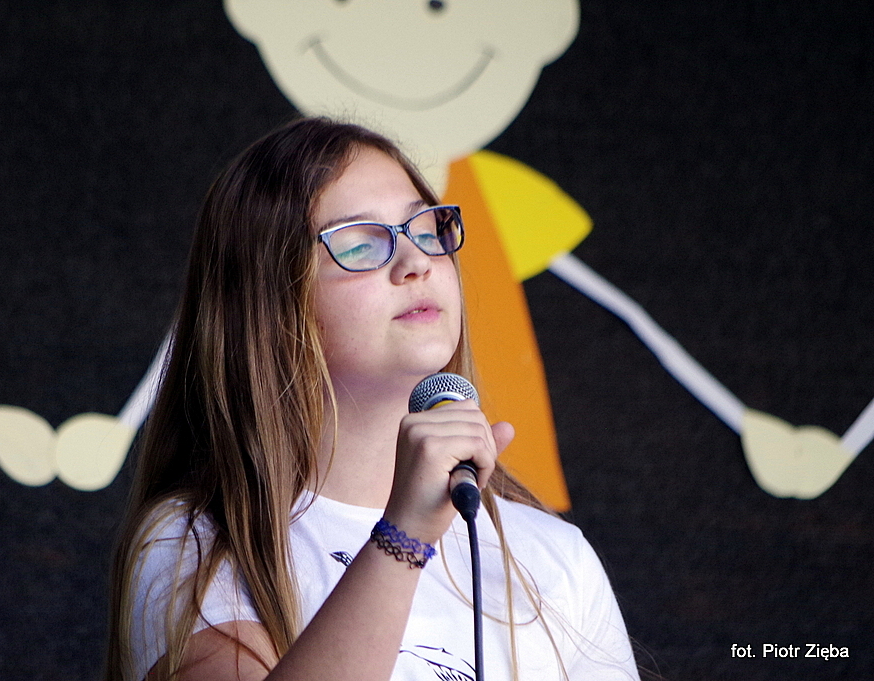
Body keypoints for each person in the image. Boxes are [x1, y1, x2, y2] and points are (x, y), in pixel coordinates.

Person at [105, 117, 639, 681]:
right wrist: (403, 536)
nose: (416, 263)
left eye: (426, 230)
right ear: (268, 304)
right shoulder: (199, 540)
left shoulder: (555, 556)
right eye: (361, 244)